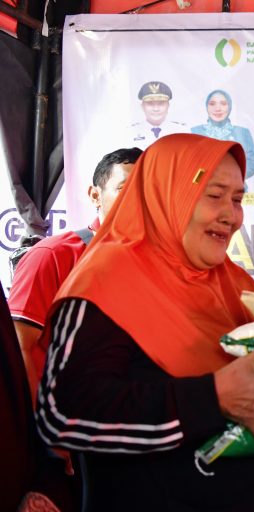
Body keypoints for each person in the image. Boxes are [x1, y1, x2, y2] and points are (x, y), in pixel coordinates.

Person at [34, 134, 254, 511]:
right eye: (214, 195)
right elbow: (62, 415)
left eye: (237, 199)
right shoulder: (105, 282)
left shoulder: (237, 285)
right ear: (167, 195)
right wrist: (212, 398)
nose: (230, 215)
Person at [9, 147, 142, 402]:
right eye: (124, 189)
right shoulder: (53, 255)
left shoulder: (162, 261)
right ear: (95, 195)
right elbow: (19, 348)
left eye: (147, 190)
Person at [192, 89, 254, 180]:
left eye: (223, 103)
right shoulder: (195, 132)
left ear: (229, 107)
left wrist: (231, 175)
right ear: (206, 107)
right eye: (212, 104)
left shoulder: (241, 132)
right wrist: (201, 179)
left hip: (234, 186)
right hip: (205, 187)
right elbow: (191, 165)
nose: (217, 108)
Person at [127, 81, 187, 149]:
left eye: (161, 103)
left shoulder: (181, 130)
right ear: (142, 106)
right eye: (150, 103)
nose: (156, 109)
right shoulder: (129, 132)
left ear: (168, 105)